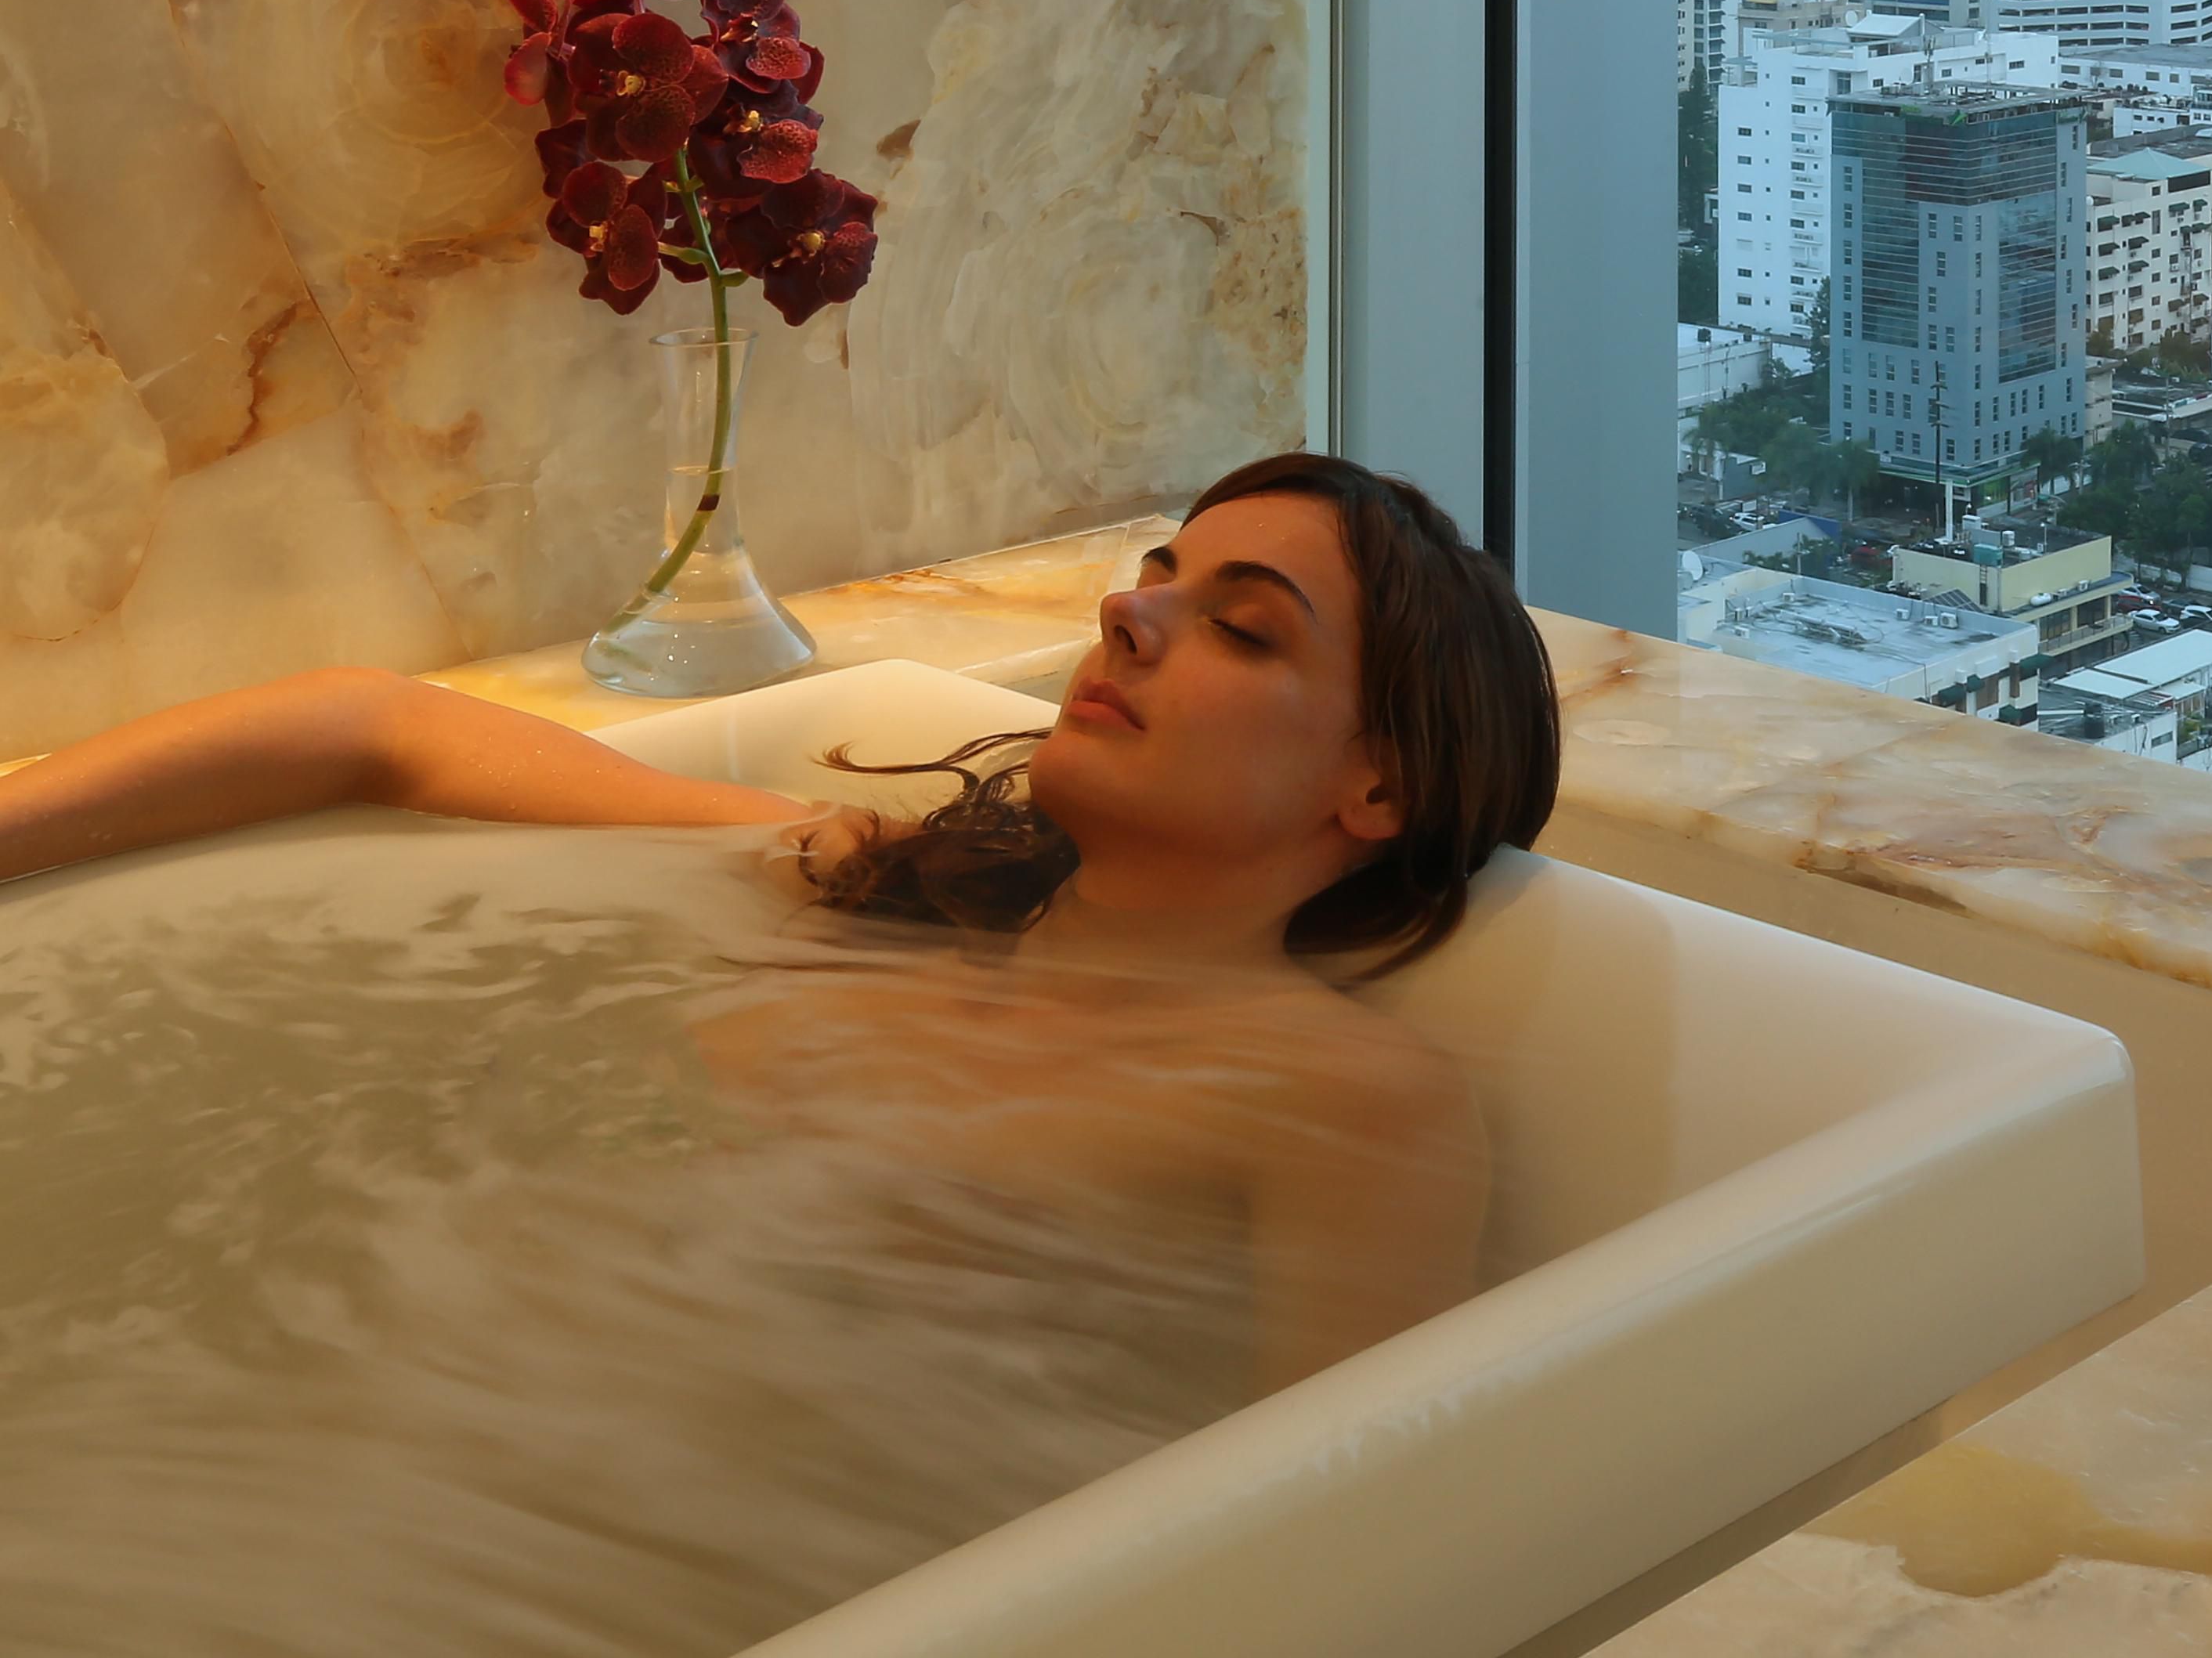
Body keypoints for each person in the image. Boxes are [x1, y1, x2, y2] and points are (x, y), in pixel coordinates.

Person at [0, 455, 1563, 1390]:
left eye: (1240, 627)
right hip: (333, 1369)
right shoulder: (888, 882)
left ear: (1378, 784)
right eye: (1155, 577)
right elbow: (376, 731)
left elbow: (1332, 1525)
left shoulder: (1349, 1102)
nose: (1126, 612)